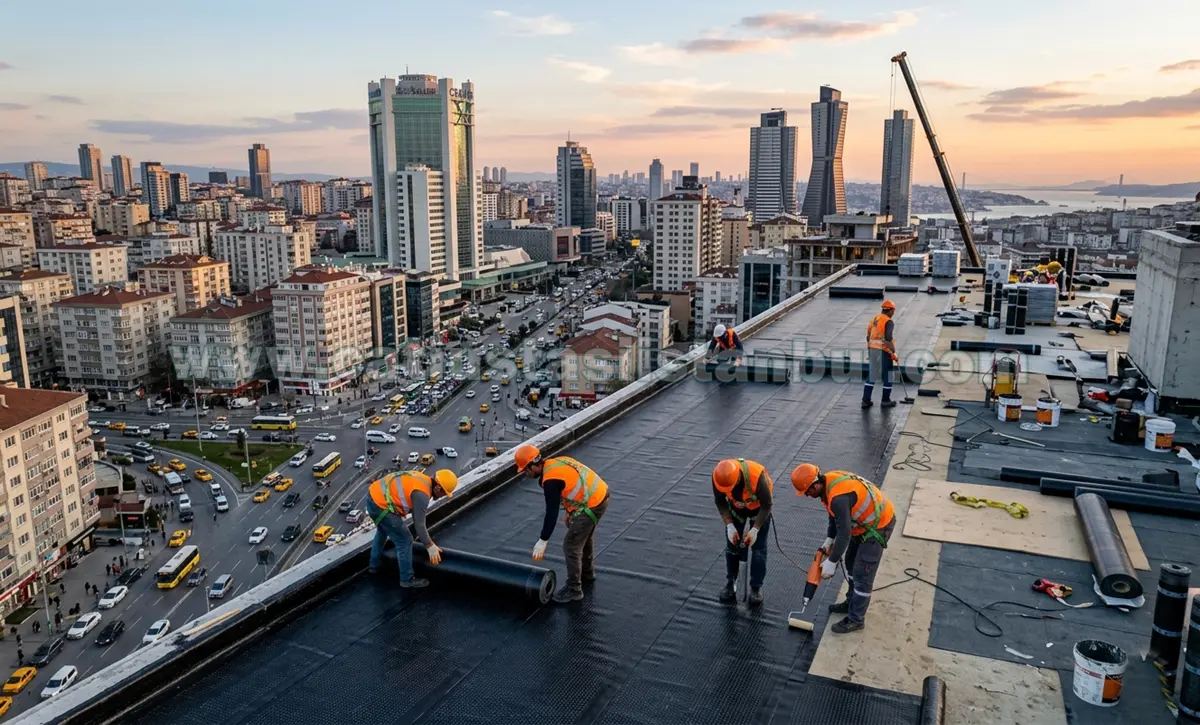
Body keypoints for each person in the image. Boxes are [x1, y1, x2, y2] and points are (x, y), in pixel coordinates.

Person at [790, 464, 896, 634]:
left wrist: (831, 561)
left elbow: (845, 534)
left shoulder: (838, 497)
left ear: (815, 484)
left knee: (863, 574)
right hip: (863, 525)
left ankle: (856, 619)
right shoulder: (829, 485)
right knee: (850, 562)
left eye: (808, 492)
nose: (808, 496)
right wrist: (829, 540)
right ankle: (851, 601)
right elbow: (834, 517)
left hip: (878, 525)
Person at [515, 444, 610, 604]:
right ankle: (587, 573)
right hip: (600, 495)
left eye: (526, 470)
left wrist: (543, 540)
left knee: (571, 546)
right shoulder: (557, 462)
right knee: (583, 537)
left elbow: (551, 512)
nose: (525, 474)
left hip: (593, 503)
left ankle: (574, 589)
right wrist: (570, 512)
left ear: (533, 465)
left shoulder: (551, 481)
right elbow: (574, 483)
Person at [366, 469, 458, 588]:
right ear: (438, 488)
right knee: (405, 540)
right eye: (444, 493)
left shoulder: (422, 479)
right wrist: (429, 545)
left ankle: (374, 566)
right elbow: (419, 524)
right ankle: (407, 579)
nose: (442, 497)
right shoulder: (422, 494)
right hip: (380, 505)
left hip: (373, 497)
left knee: (383, 530)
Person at [712, 458, 774, 606]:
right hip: (736, 509)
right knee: (732, 547)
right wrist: (729, 525)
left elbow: (767, 504)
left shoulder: (757, 477)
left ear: (738, 478)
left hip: (759, 509)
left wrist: (755, 529)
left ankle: (756, 587)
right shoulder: (718, 477)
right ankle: (731, 584)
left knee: (759, 549)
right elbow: (720, 501)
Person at [862, 300, 899, 409]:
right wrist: (893, 351)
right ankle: (885, 400)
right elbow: (888, 338)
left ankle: (865, 400)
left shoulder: (874, 319)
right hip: (883, 351)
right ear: (890, 310)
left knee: (872, 375)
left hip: (873, 350)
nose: (893, 313)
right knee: (888, 376)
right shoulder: (888, 321)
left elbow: (868, 336)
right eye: (893, 311)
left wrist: (870, 349)